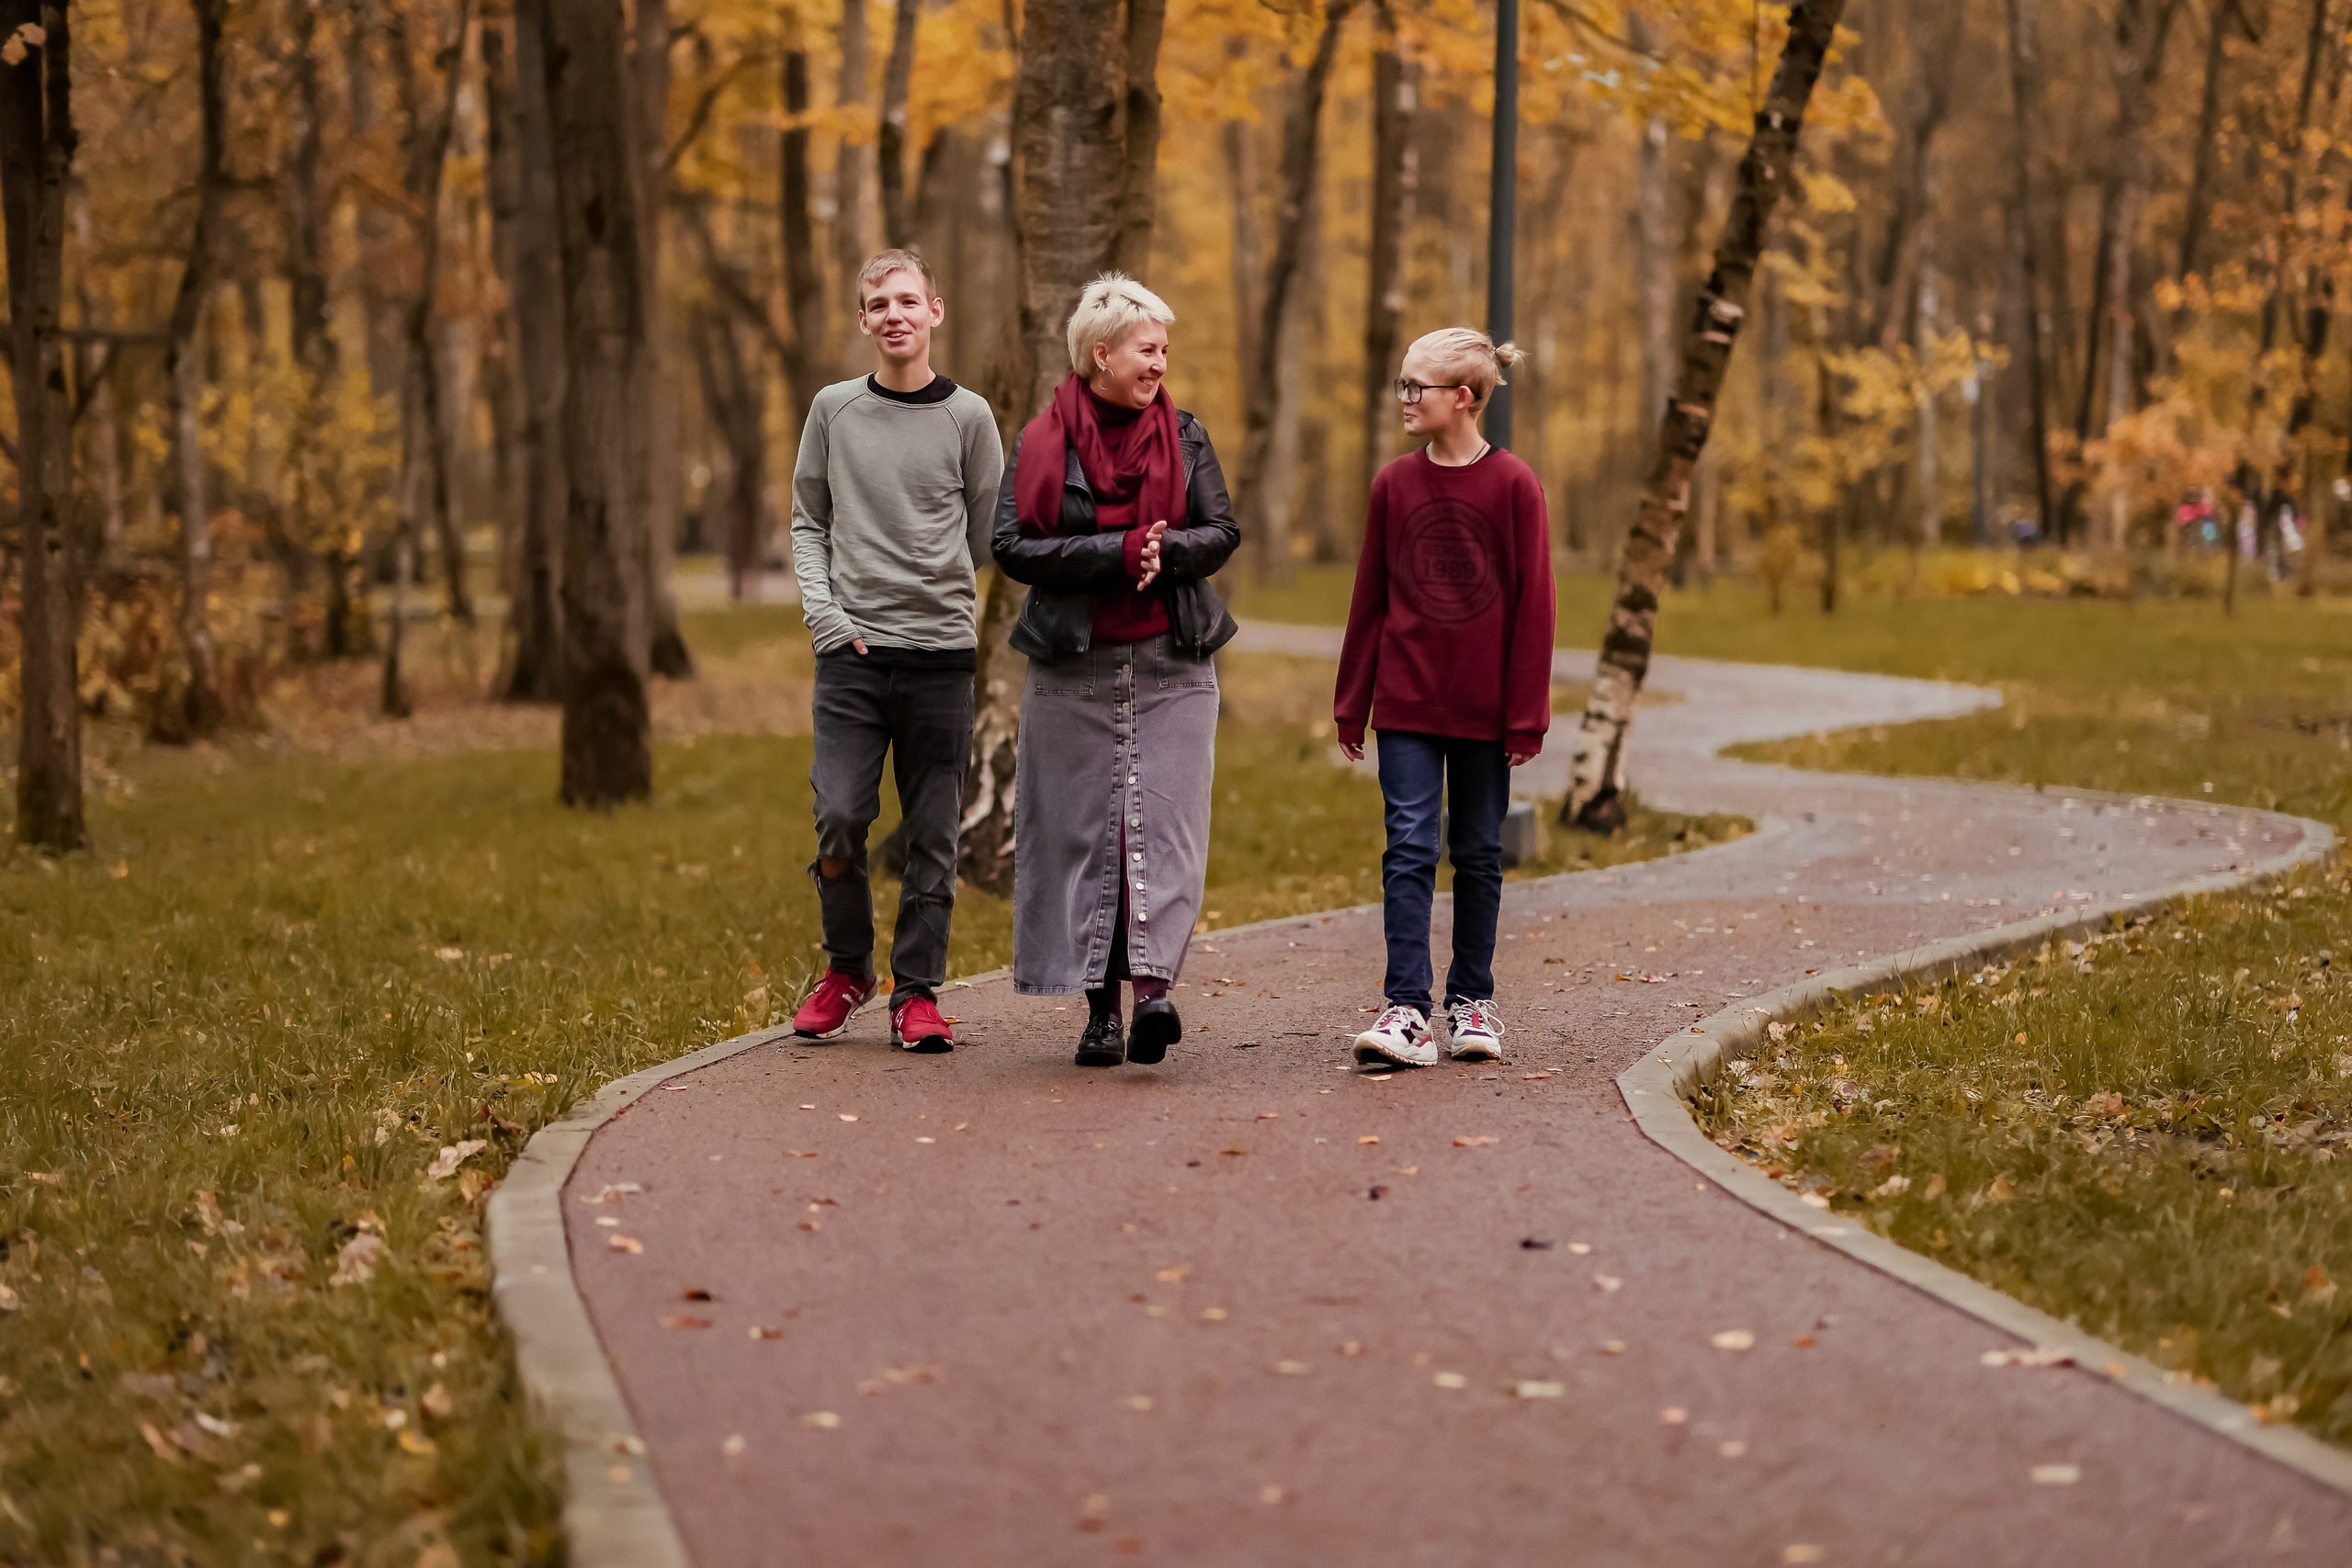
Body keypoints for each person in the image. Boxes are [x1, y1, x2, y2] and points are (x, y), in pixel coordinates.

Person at [993, 274, 1240, 1067]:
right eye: (1147, 349)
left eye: (1165, 349)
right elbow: (1012, 545)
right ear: (1101, 355)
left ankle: (1154, 997)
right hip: (1074, 666)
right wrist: (1118, 552)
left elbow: (1221, 530)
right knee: (1082, 834)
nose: (1160, 362)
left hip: (1174, 661)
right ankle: (1099, 1014)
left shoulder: (1188, 436)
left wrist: (1168, 550)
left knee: (1164, 831)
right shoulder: (1041, 443)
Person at [787, 248, 1004, 1052]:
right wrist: (826, 615)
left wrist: (934, 584)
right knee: (840, 817)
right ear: (863, 319)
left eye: (908, 300)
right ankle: (848, 970)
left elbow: (986, 531)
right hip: (851, 655)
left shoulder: (970, 417)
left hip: (941, 656)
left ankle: (917, 993)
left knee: (933, 834)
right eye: (879, 304)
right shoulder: (833, 410)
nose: (894, 315)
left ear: (934, 311)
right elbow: (808, 521)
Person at [1335, 328, 1555, 1068]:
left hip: (1485, 707)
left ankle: (1471, 1002)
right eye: (1401, 384)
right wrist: (1352, 700)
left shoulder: (1515, 485)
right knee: (1409, 845)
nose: (1404, 398)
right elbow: (1369, 598)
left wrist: (1525, 714)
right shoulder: (1393, 485)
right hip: (1406, 700)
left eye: (1415, 387)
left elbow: (1535, 606)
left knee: (1480, 851)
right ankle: (1407, 1009)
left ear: (1462, 398)